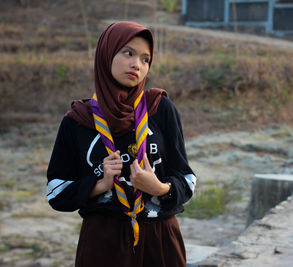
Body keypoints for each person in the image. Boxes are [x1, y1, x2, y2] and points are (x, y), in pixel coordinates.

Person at [46, 21, 196, 267]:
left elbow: (187, 179)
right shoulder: (78, 120)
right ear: (107, 54)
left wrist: (159, 188)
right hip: (102, 243)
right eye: (128, 53)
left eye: (146, 59)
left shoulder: (159, 108)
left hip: (161, 241)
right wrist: (98, 184)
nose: (137, 64)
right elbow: (56, 192)